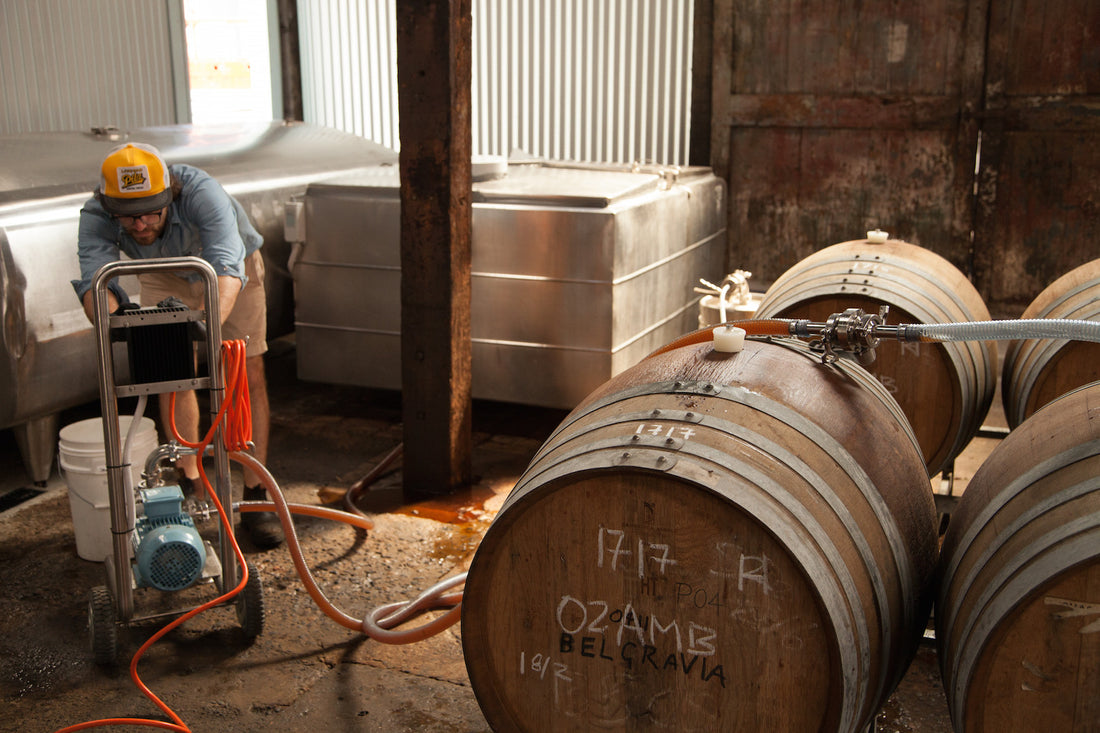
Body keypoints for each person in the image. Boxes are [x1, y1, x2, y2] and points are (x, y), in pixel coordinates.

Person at [72, 142, 283, 549]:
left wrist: (203, 326)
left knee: (242, 371)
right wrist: (121, 325)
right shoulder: (95, 214)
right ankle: (190, 483)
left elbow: (225, 263)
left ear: (169, 193)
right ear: (108, 204)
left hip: (227, 272)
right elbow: (94, 282)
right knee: (171, 373)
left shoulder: (201, 191)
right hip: (164, 272)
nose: (140, 225)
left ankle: (255, 495)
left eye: (151, 211)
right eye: (128, 217)